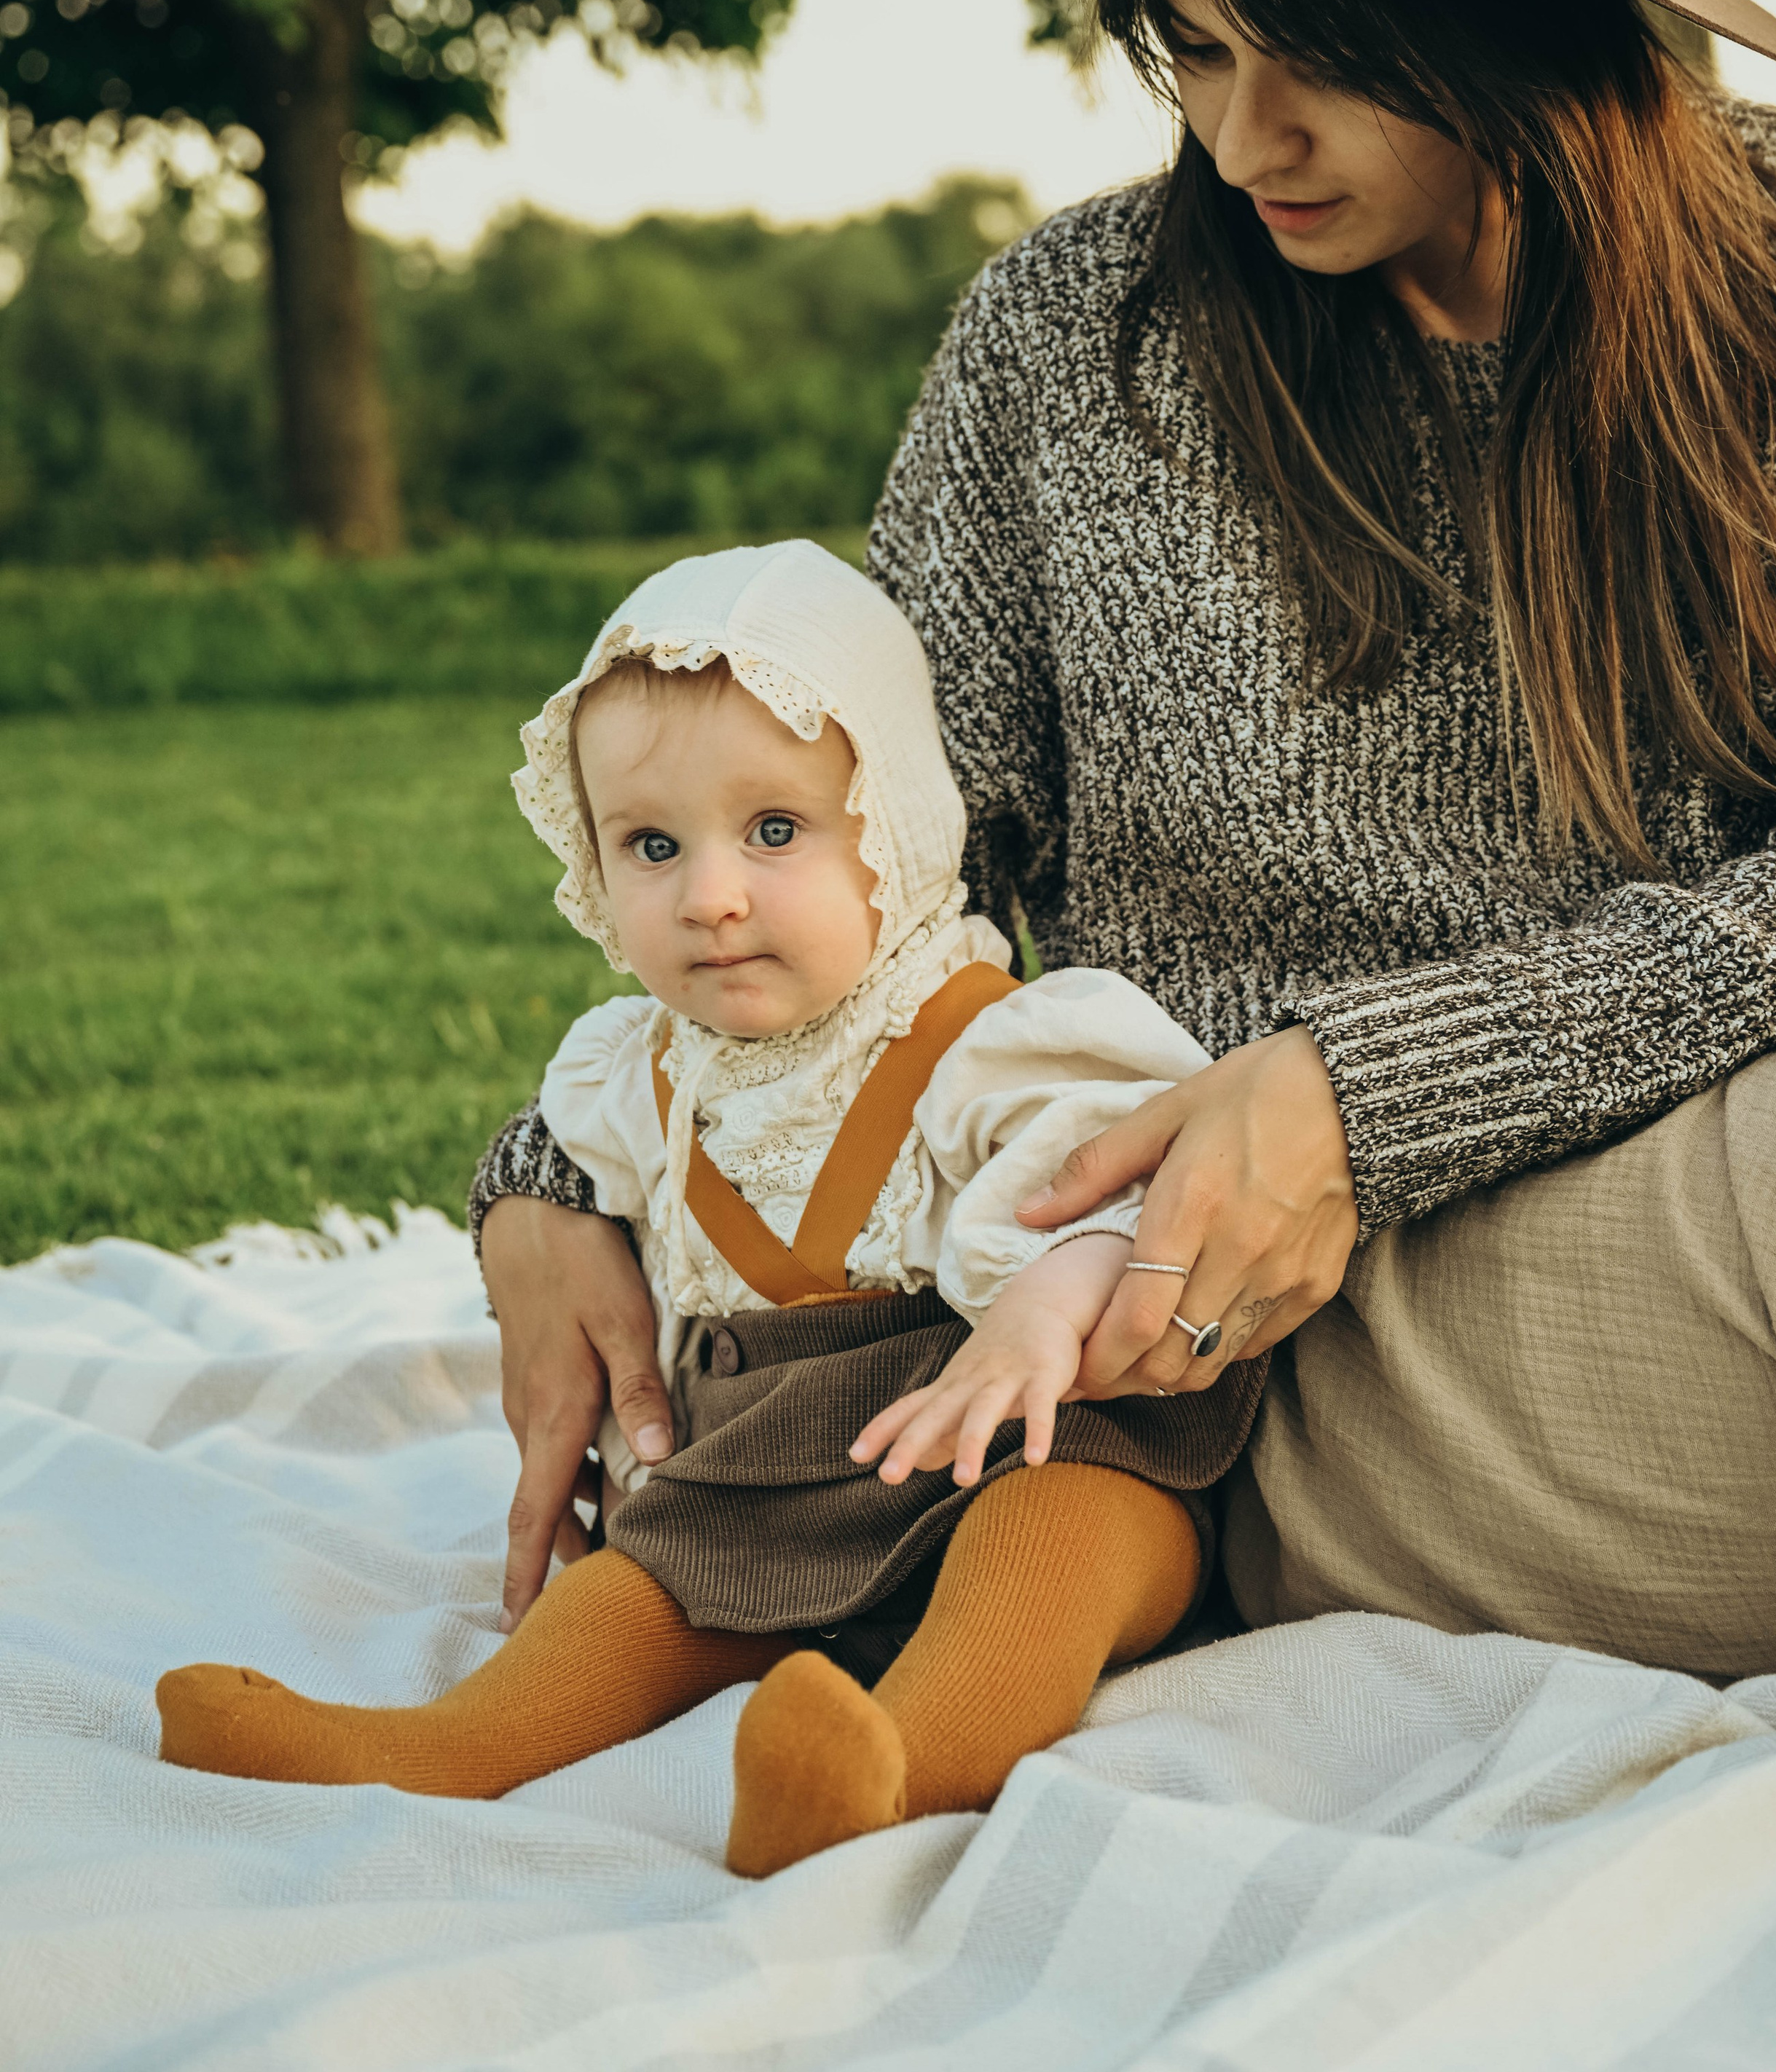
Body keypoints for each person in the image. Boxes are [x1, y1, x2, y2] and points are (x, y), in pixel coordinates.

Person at [471, 0, 1776, 1685]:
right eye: (1195, 55)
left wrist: (1380, 1085)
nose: (1244, 140)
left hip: (1683, 1189)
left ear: (1519, 16)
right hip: (1202, 1318)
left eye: (1316, 56)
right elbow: (846, 840)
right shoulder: (1066, 339)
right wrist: (552, 1168)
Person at [154, 541, 1261, 1873]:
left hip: (1025, 1438)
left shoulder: (996, 1040)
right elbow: (564, 1201)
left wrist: (1050, 1305)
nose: (713, 896)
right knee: (641, 1585)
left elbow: (1136, 1181)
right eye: (654, 846)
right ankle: (436, 1749)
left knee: (1049, 1555)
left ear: (895, 830)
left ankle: (888, 1774)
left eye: (776, 831)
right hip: (765, 1482)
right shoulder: (639, 1075)